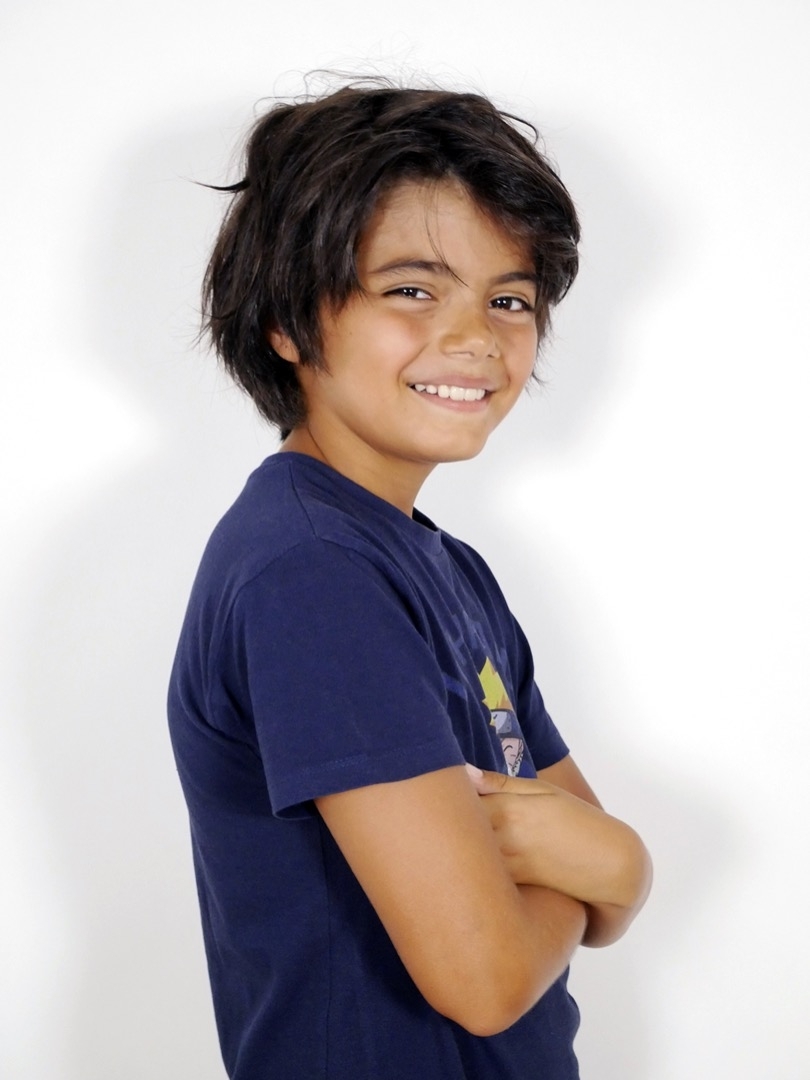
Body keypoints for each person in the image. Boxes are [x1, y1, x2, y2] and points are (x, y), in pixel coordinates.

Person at [168, 81, 652, 1080]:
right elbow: (485, 977)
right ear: (287, 320)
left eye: (508, 299)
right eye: (413, 289)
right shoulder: (312, 574)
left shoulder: (443, 567)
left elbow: (580, 861)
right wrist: (617, 864)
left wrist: (601, 862)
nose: (475, 337)